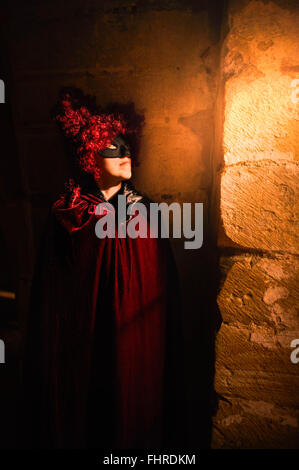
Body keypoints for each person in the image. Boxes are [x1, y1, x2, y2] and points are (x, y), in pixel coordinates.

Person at [19, 88, 185, 449]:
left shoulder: (146, 211)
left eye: (126, 147)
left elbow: (157, 284)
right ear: (90, 157)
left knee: (128, 387)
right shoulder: (68, 212)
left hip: (135, 334)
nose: (125, 155)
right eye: (113, 149)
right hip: (82, 334)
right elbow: (55, 289)